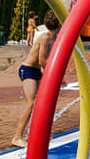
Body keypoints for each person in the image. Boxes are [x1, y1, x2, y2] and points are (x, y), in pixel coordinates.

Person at [12, 10, 60, 148]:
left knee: (42, 103)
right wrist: (53, 75)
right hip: (27, 70)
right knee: (31, 103)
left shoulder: (56, 39)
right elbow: (41, 60)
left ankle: (40, 132)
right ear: (58, 24)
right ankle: (17, 137)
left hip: (38, 71)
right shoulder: (45, 38)